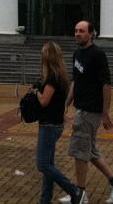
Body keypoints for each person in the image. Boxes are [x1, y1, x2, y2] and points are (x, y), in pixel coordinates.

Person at [61, 21, 113, 204]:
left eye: (82, 31)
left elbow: (106, 84)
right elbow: (76, 81)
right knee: (90, 151)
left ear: (91, 34)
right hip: (81, 108)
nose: (77, 34)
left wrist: (105, 113)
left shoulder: (98, 54)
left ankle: (80, 194)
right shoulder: (77, 54)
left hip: (90, 110)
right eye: (76, 31)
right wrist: (66, 104)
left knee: (79, 152)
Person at [32, 41, 83, 204]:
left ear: (47, 56)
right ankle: (45, 199)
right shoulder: (59, 75)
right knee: (48, 163)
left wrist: (36, 91)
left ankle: (74, 190)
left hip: (50, 125)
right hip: (53, 123)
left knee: (43, 164)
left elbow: (44, 101)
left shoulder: (52, 77)